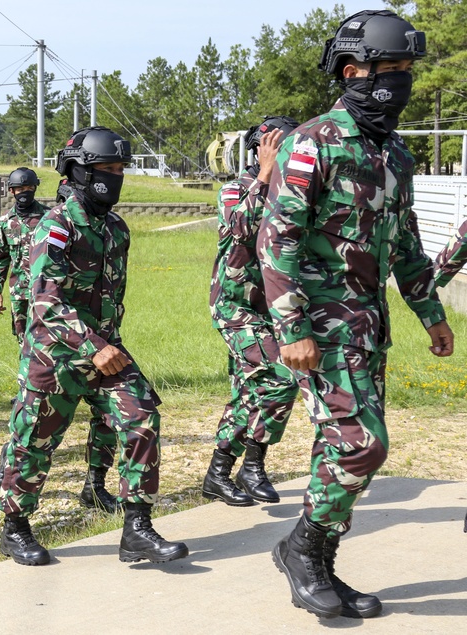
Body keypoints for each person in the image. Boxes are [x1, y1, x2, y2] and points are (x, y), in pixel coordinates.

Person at [256, 10, 450, 620]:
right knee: (363, 446)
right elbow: (277, 238)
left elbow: (407, 245)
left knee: (336, 450)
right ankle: (301, 552)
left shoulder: (395, 152)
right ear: (352, 71)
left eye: (406, 70)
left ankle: (321, 564)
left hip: (368, 327)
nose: (400, 81)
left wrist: (431, 313)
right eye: (389, 69)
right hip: (319, 326)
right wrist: (291, 328)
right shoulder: (312, 141)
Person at [0, 126, 188, 567]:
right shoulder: (56, 226)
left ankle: (137, 529)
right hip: (56, 355)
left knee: (142, 417)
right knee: (33, 443)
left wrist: (107, 345)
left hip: (105, 352)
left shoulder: (117, 229)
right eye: (107, 169)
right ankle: (15, 527)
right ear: (79, 173)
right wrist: (91, 344)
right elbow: (44, 299)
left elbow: (109, 297)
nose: (116, 177)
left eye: (121, 169)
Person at [0, 167, 120, 512]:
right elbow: (3, 261)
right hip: (35, 311)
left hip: (91, 337)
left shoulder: (105, 228)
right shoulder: (22, 223)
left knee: (113, 416)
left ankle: (96, 486)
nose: (24, 192)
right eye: (18, 188)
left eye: (29, 186)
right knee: (35, 414)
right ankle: (14, 478)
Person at [202, 116, 301, 507]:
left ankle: (217, 474)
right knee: (281, 378)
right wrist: (264, 173)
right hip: (236, 307)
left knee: (248, 393)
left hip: (278, 310)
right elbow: (241, 227)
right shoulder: (235, 189)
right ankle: (254, 464)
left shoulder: (295, 192)